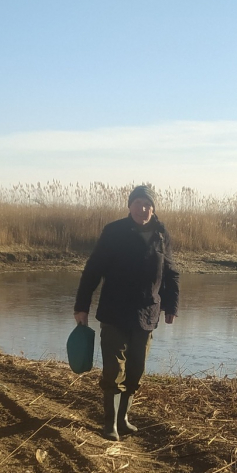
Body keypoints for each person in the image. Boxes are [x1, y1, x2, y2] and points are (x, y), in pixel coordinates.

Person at [73, 184, 180, 440]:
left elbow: (171, 272)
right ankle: (109, 423)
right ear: (129, 206)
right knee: (113, 368)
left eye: (147, 204)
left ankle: (123, 419)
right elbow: (93, 270)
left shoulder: (162, 234)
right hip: (115, 310)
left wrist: (170, 305)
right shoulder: (114, 231)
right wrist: (81, 306)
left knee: (136, 369)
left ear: (153, 208)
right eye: (137, 203)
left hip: (147, 313)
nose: (142, 208)